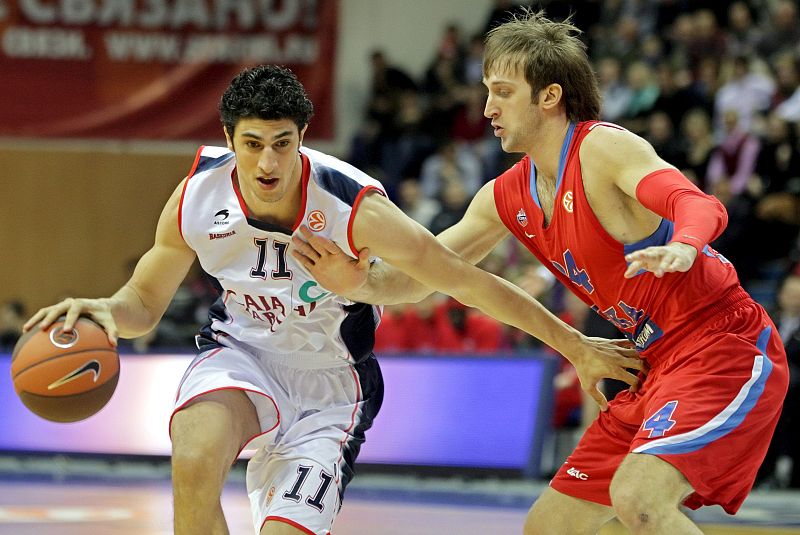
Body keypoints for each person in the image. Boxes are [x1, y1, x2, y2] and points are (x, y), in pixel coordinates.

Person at [23, 65, 642, 535]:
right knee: (192, 458)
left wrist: (575, 345)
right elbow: (143, 303)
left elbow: (462, 279)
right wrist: (107, 310)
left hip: (333, 388)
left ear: (302, 138)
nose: (268, 162)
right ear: (228, 139)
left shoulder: (353, 208)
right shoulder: (194, 197)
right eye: (253, 143)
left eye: (283, 143)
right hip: (242, 357)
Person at [292, 11, 789, 534]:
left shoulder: (600, 148)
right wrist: (360, 282)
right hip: (653, 360)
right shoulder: (504, 196)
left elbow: (696, 201)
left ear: (548, 96)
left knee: (639, 498)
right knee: (548, 528)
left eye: (502, 92)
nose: (487, 109)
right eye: (486, 91)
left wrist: (686, 245)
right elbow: (423, 276)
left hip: (724, 343)